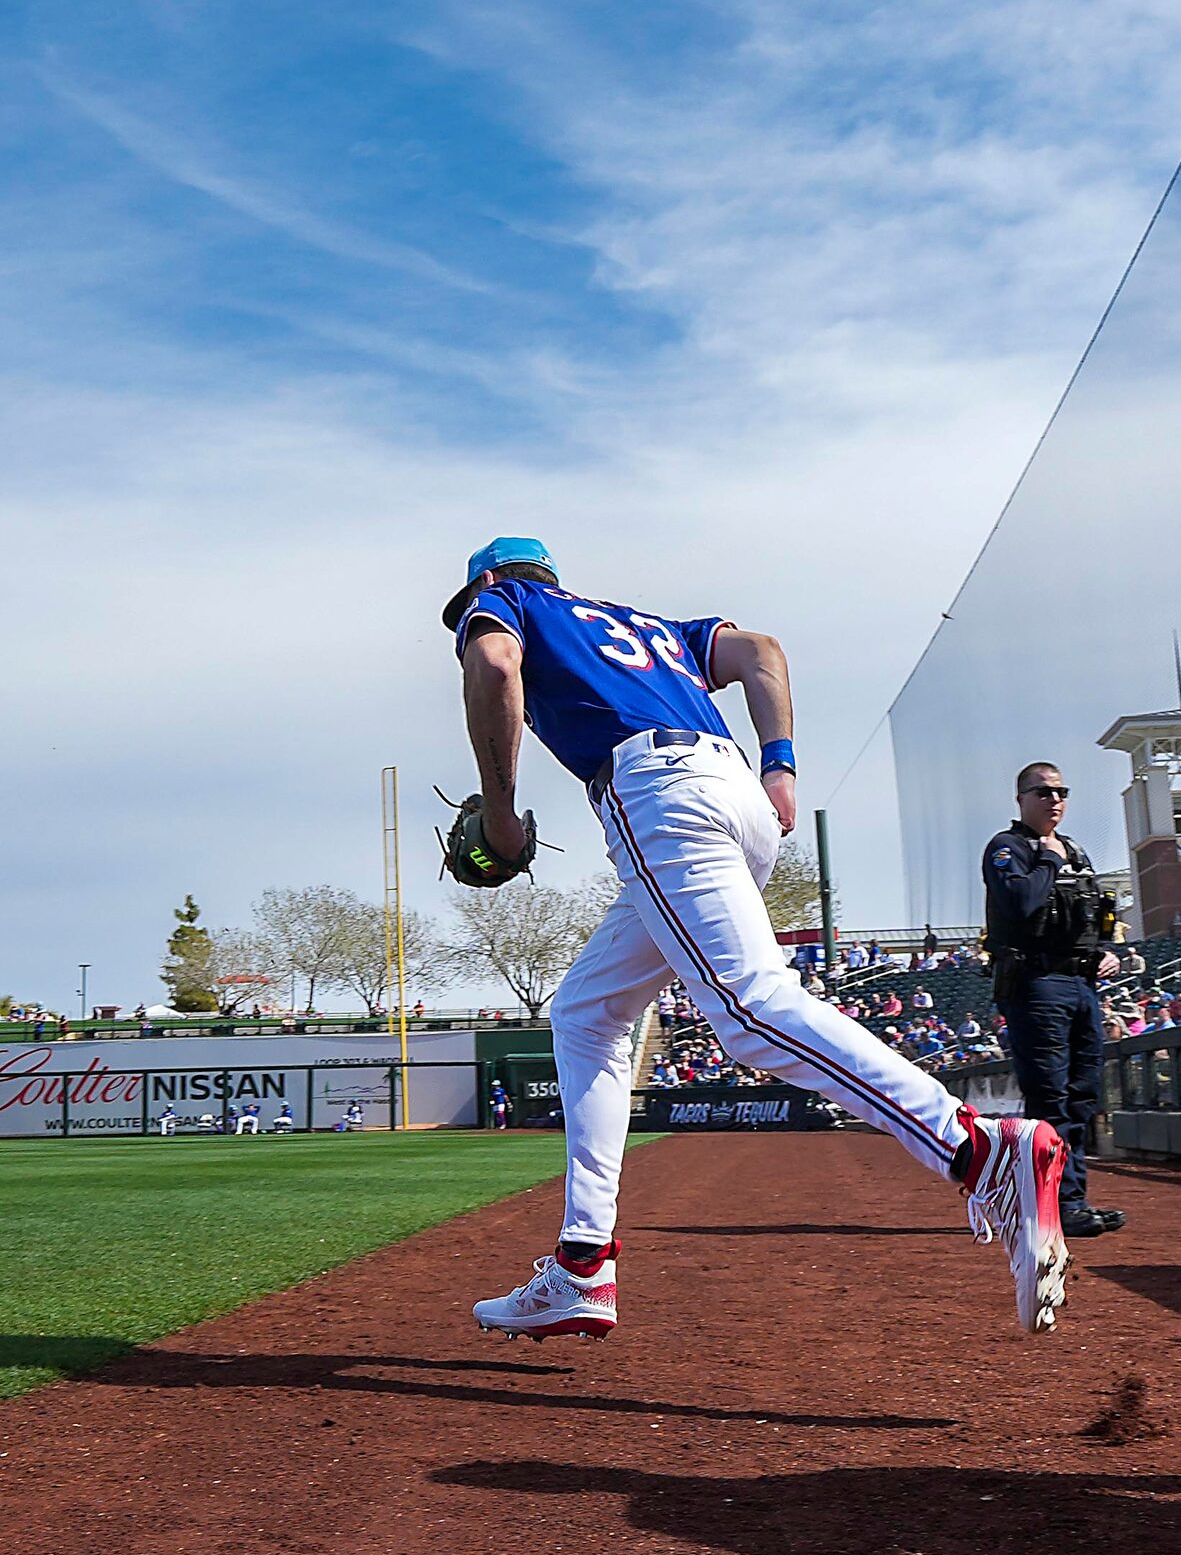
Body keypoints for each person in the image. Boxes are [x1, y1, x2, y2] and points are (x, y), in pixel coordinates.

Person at [439, 535, 1067, 1341]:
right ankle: (582, 1265)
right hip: (735, 796)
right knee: (587, 1012)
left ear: (490, 580)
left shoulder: (511, 603)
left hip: (658, 794)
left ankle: (978, 1150)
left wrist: (499, 810)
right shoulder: (649, 626)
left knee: (747, 1006)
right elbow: (761, 651)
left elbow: (493, 666)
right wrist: (779, 767)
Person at [984, 763, 1127, 1239]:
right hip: (1036, 982)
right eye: (1043, 792)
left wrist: (1107, 949)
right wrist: (1046, 859)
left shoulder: (1077, 852)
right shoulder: (1007, 849)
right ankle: (1057, 1205)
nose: (1054, 800)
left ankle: (1073, 1200)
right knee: (1051, 1099)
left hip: (1082, 984)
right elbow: (1021, 904)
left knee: (1085, 1096)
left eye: (1061, 791)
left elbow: (1099, 912)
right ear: (1021, 798)